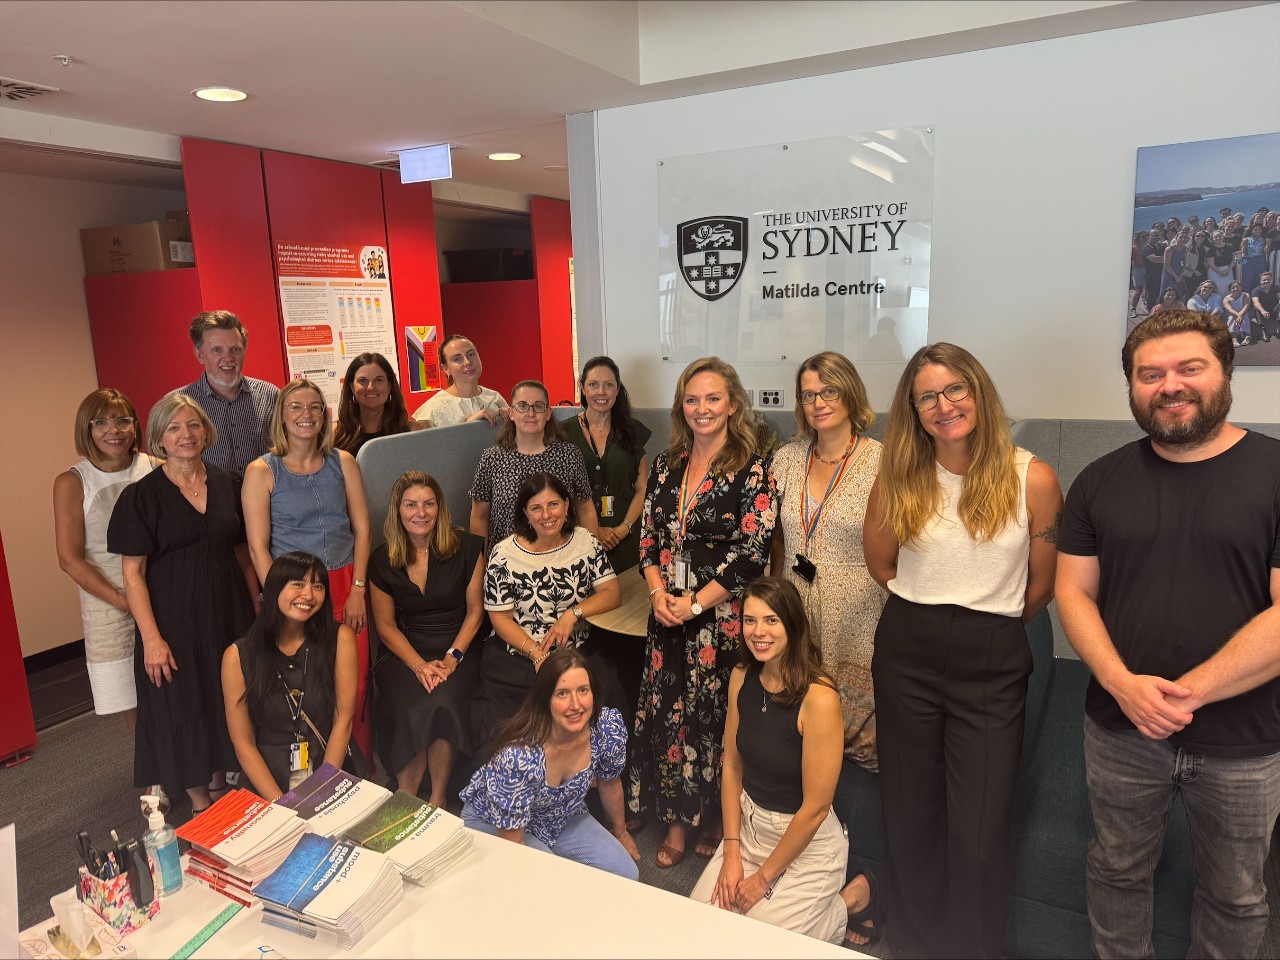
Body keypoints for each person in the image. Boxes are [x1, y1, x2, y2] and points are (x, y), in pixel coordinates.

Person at [1056, 310, 1280, 959]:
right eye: (1150, 374)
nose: (1170, 386)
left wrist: (1190, 692)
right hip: (1120, 728)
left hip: (1246, 737)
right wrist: (1124, 686)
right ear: (1131, 386)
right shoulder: (1098, 482)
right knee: (1116, 871)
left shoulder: (1273, 471)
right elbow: (1072, 592)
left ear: (1225, 373)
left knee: (1237, 895)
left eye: (1189, 369)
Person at [863, 342, 1062, 959]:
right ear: (913, 409)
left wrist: (983, 619)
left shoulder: (1033, 476)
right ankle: (916, 947)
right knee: (911, 815)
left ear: (979, 391)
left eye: (956, 390)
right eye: (928, 396)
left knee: (977, 831)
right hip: (907, 651)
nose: (944, 405)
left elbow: (1041, 586)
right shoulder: (900, 476)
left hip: (992, 657)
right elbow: (881, 563)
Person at [627, 356, 777, 868]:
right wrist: (657, 596)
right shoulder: (668, 463)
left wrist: (694, 603)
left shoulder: (752, 469)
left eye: (713, 398)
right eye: (692, 400)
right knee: (670, 719)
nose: (702, 409)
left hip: (720, 620)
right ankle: (674, 822)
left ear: (733, 405)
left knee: (713, 723)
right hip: (666, 614)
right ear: (681, 407)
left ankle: (713, 818)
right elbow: (646, 538)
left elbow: (751, 553)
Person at [690, 577, 881, 946]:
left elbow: (816, 808)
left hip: (805, 847)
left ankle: (850, 899)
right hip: (747, 832)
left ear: (793, 626)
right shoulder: (741, 677)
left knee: (759, 947)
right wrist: (731, 851)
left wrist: (761, 880)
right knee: (700, 934)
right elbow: (731, 767)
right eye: (749, 620)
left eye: (771, 620)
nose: (758, 632)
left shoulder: (819, 697)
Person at [107, 392, 256, 814]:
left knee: (222, 696)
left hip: (229, 613)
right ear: (158, 438)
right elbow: (132, 573)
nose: (185, 435)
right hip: (173, 621)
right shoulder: (141, 497)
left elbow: (242, 552)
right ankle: (198, 802)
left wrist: (256, 607)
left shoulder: (229, 483)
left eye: (193, 425)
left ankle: (220, 785)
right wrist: (152, 639)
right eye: (173, 428)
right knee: (184, 704)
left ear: (206, 430)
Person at [242, 378, 374, 761]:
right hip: (293, 590)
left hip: (347, 581)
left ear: (325, 414)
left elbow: (362, 529)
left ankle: (357, 766)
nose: (306, 415)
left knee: (355, 682)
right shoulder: (262, 471)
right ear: (281, 416)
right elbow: (256, 546)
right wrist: (281, 603)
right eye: (296, 407)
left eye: (315, 407)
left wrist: (359, 589)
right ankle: (311, 771)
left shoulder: (343, 462)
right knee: (305, 685)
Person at [769, 352, 885, 769]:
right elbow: (776, 540)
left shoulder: (883, 463)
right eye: (807, 395)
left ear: (850, 393)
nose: (818, 403)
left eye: (829, 391)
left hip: (859, 611)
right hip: (795, 603)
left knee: (859, 736)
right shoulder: (785, 459)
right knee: (799, 720)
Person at [460, 647, 640, 878]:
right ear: (545, 700)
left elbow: (609, 782)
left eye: (583, 690)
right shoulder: (518, 757)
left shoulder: (605, 728)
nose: (576, 705)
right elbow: (513, 845)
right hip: (496, 824)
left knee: (626, 874)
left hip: (560, 814)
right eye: (562, 693)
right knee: (552, 882)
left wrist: (621, 832)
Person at [476, 472, 620, 743]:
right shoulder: (504, 554)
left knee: (608, 693)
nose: (546, 515)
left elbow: (612, 593)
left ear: (567, 505)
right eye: (536, 508)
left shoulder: (585, 541)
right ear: (525, 514)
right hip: (521, 654)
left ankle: (592, 777)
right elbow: (500, 619)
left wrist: (573, 613)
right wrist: (537, 655)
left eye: (553, 504)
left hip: (577, 651)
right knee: (524, 715)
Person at [369, 471, 485, 806]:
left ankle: (437, 800)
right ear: (398, 510)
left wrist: (452, 659)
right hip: (405, 653)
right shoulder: (382, 558)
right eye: (411, 505)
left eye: (429, 503)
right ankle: (405, 798)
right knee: (415, 702)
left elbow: (476, 611)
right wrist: (420, 666)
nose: (420, 512)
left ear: (440, 508)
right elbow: (386, 626)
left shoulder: (467, 547)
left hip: (459, 649)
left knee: (443, 700)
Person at [54, 389, 156, 730]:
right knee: (132, 699)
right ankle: (154, 777)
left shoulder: (154, 466)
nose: (114, 430)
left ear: (135, 426)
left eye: (122, 420)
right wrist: (124, 601)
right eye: (101, 422)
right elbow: (69, 559)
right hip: (108, 601)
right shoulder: (72, 481)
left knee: (176, 684)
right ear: (87, 428)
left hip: (161, 592)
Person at [221, 552, 358, 800]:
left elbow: (343, 720)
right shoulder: (237, 656)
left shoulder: (340, 639)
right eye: (298, 584)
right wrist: (282, 805)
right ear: (274, 589)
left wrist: (323, 790)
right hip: (266, 779)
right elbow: (244, 744)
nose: (308, 594)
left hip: (329, 767)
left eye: (317, 586)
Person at [563, 357, 651, 715]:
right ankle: (595, 709)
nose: (601, 392)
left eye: (609, 385)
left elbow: (643, 488)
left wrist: (624, 527)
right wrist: (593, 531)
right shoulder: (563, 432)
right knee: (592, 632)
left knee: (628, 629)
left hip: (627, 541)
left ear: (618, 390)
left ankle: (629, 711)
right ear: (582, 387)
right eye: (594, 384)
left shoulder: (633, 431)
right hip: (581, 543)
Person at [469, 379, 596, 553]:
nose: (531, 413)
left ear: (548, 413)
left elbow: (585, 508)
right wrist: (479, 568)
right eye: (522, 406)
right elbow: (479, 517)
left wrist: (593, 555)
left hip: (563, 561)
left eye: (538, 406)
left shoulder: (569, 455)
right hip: (507, 565)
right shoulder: (492, 458)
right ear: (511, 413)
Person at [178, 310, 279, 478]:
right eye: (217, 350)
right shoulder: (178, 404)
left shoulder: (270, 395)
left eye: (235, 349)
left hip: (266, 500)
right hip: (208, 502)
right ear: (199, 354)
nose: (228, 358)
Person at [333, 352, 425, 454]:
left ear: (389, 386)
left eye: (379, 380)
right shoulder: (335, 435)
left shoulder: (412, 432)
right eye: (363, 380)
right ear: (352, 387)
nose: (371, 387)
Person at [411, 334, 509, 427]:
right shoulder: (432, 411)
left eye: (471, 354)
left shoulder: (495, 398)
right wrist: (467, 426)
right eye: (457, 359)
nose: (468, 362)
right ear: (445, 369)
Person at [1223, 279, 1254, 347]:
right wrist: (1238, 315)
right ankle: (1234, 338)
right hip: (1232, 313)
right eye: (1233, 287)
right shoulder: (1226, 298)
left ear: (1240, 287)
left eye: (1237, 287)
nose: (1235, 289)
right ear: (1230, 290)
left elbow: (1246, 306)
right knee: (1232, 317)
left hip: (1244, 312)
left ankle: (1248, 335)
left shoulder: (1246, 295)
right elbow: (1230, 309)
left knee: (1245, 315)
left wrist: (1240, 315)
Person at [1251, 270, 1277, 343]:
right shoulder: (1255, 290)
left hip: (1273, 310)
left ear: (1272, 280)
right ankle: (1263, 330)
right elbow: (1256, 302)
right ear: (1260, 281)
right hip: (1262, 312)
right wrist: (1263, 311)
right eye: (1264, 280)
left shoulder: (1276, 288)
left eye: (1268, 279)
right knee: (1256, 308)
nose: (1266, 281)